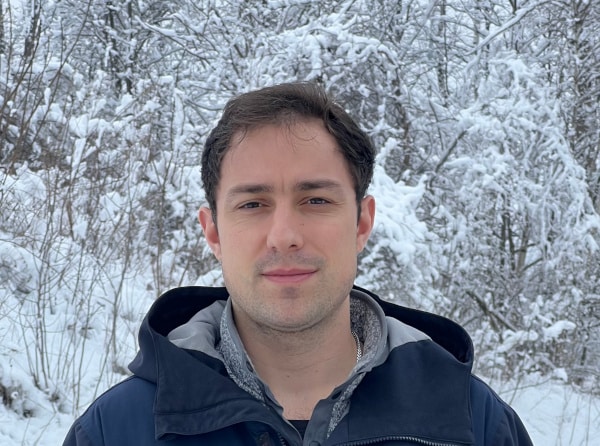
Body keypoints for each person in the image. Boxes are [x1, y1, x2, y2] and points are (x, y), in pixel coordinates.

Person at [63, 82, 533, 445]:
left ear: (361, 223)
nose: (284, 235)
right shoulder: (115, 431)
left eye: (316, 200)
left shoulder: (474, 424)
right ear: (213, 233)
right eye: (252, 204)